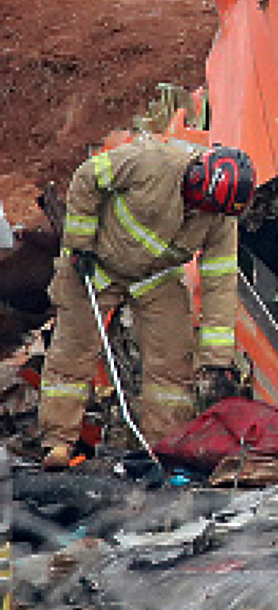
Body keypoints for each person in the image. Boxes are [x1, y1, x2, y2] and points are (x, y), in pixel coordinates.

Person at [39, 140, 255, 470]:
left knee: (172, 365)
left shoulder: (220, 218)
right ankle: (57, 443)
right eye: (204, 204)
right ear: (196, 179)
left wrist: (216, 360)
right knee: (73, 353)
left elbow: (220, 284)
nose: (205, 214)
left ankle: (164, 451)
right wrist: (79, 244)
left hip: (156, 277)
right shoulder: (150, 161)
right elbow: (88, 176)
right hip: (98, 264)